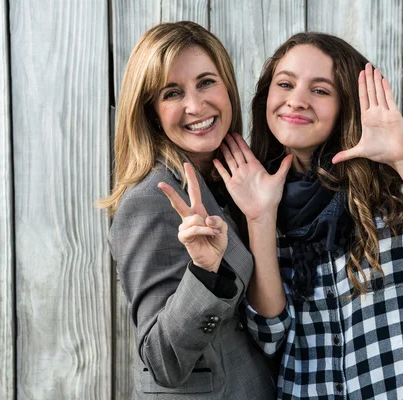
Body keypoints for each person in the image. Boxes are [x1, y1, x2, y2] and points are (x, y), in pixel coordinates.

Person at [213, 32, 403, 399]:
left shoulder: (393, 177)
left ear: (347, 104)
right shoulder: (261, 193)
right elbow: (269, 337)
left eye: (321, 90)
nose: (297, 100)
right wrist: (261, 219)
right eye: (285, 84)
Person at [99, 21, 275, 399]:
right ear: (150, 112)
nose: (195, 106)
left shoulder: (229, 178)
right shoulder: (150, 199)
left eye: (207, 82)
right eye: (172, 92)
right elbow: (161, 359)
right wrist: (205, 272)